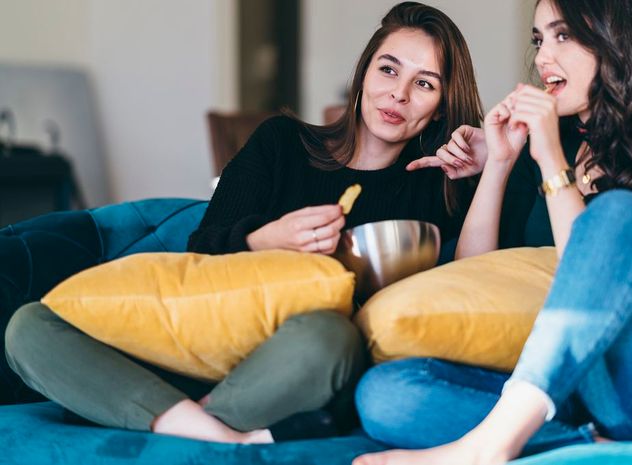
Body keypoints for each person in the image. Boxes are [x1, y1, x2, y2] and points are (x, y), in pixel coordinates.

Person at [4, 1, 483, 445]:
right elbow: (199, 253)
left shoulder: (436, 184)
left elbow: (475, 283)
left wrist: (497, 164)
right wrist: (267, 239)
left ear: (439, 105)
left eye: (424, 83)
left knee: (332, 339)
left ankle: (163, 418)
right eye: (388, 69)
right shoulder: (281, 142)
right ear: (364, 73)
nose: (397, 93)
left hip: (287, 367)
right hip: (193, 343)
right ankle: (222, 437)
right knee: (30, 327)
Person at [353, 0, 632, 463]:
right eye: (538, 39)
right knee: (384, 394)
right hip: (562, 398)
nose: (543, 57)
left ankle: (493, 444)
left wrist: (550, 157)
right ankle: (604, 449)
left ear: (616, 41)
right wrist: (502, 163)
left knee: (617, 214)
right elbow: (477, 278)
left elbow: (590, 283)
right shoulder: (544, 144)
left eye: (562, 35)